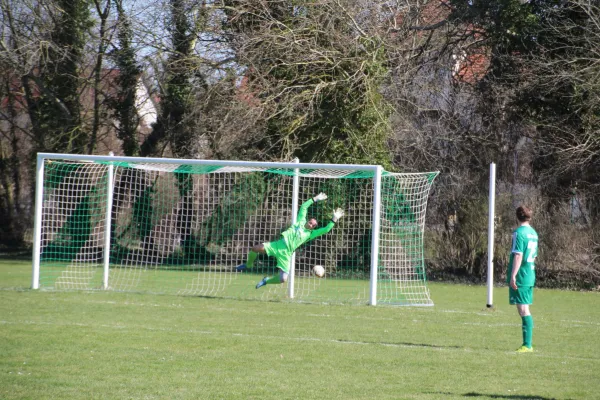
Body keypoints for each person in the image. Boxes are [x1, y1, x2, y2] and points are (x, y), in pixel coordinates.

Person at [236, 193, 344, 289]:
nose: (311, 224)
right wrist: (315, 199)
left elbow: (326, 229)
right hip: (278, 245)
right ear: (308, 220)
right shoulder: (300, 221)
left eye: (313, 225)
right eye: (310, 222)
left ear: (313, 228)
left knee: (283, 278)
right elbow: (304, 207)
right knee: (255, 248)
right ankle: (248, 265)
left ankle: (266, 281)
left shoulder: (310, 234)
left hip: (286, 254)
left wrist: (334, 219)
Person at [507, 205, 539, 353]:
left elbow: (518, 255)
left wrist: (513, 274)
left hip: (522, 275)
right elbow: (534, 256)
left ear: (517, 216)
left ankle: (527, 345)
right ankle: (527, 344)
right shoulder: (533, 233)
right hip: (530, 273)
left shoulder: (518, 233)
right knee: (524, 308)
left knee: (523, 309)